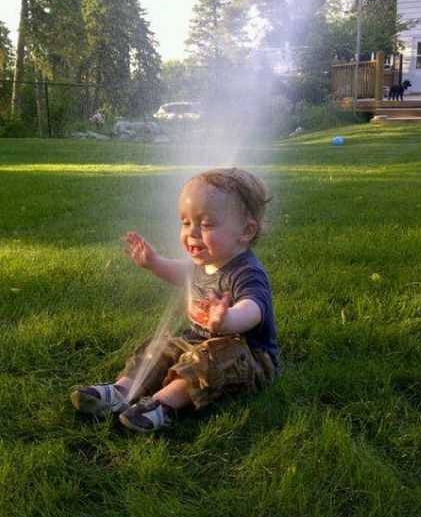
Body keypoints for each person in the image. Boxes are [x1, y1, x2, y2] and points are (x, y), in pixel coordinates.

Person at [70, 168, 278, 433]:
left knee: (207, 361)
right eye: (185, 222)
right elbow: (181, 272)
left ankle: (162, 404)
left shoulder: (247, 272)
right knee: (162, 347)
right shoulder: (204, 262)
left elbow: (253, 308)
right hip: (199, 343)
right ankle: (122, 390)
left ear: (246, 231)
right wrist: (154, 263)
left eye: (206, 224)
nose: (192, 233)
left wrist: (228, 319)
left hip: (248, 358)